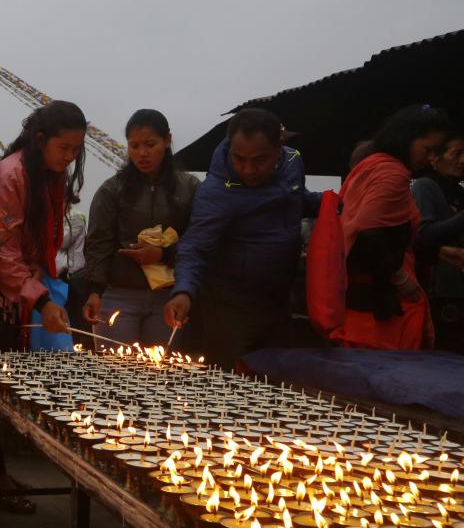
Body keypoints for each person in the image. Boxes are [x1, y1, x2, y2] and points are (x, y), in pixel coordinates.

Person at [0, 101, 86, 513]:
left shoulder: (48, 176)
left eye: (75, 151)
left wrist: (45, 291)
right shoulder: (8, 175)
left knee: (4, 381)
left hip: (17, 290)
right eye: (63, 148)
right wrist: (43, 299)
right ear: (39, 140)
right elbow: (1, 256)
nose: (69, 158)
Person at [163, 109, 320, 369]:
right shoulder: (217, 191)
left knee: (278, 384)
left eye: (259, 160)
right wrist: (184, 292)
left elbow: (296, 198)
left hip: (279, 300)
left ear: (278, 148)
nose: (248, 169)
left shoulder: (293, 162)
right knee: (232, 387)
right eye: (239, 159)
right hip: (231, 307)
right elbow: (195, 245)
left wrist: (333, 204)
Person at [333, 105, 455, 350]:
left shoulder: (372, 165)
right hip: (379, 309)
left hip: (359, 299)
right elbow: (367, 230)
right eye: (427, 149)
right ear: (407, 138)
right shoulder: (392, 173)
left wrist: (439, 252)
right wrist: (400, 278)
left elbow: (387, 232)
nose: (430, 158)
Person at [83, 110, 199, 346]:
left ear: (167, 141)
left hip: (170, 297)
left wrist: (163, 254)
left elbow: (198, 241)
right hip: (118, 295)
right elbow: (98, 244)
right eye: (134, 146)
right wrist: (94, 291)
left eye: (150, 144)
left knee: (161, 376)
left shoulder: (190, 188)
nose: (142, 153)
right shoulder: (112, 190)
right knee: (114, 374)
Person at [413, 129, 464, 352]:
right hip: (441, 289)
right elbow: (425, 233)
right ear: (435, 158)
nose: (463, 160)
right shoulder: (425, 186)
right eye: (456, 153)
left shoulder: (457, 191)